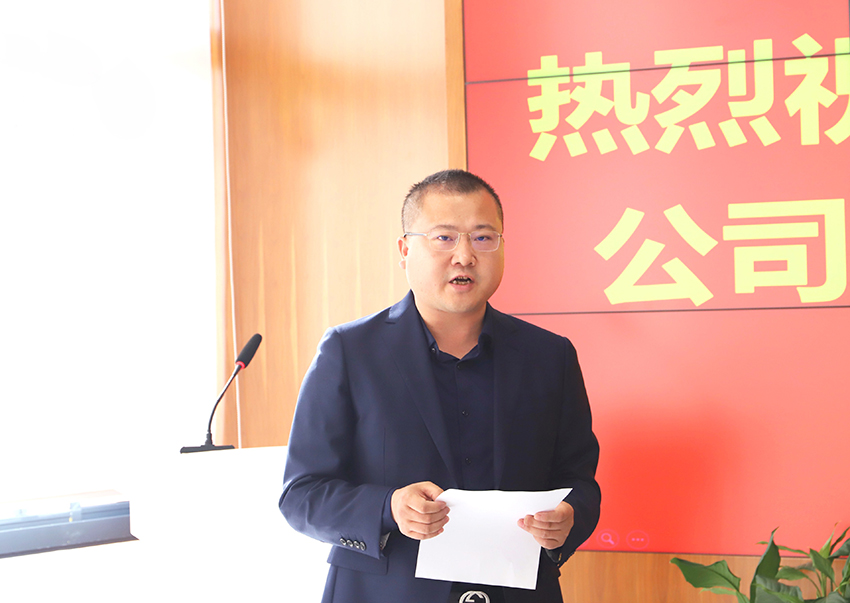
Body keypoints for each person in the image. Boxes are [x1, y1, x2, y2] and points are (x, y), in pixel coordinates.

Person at [280, 169, 600, 603]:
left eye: (483, 238)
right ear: (404, 250)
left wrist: (569, 517)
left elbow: (579, 482)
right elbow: (301, 494)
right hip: (384, 593)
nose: (464, 256)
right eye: (444, 238)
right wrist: (388, 507)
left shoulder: (549, 356)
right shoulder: (350, 352)